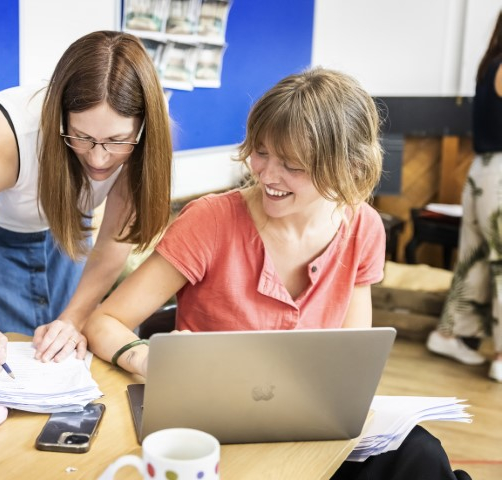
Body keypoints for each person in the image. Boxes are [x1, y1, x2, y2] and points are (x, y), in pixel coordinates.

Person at [83, 68, 471, 480]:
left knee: (424, 457)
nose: (267, 174)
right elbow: (104, 320)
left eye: (293, 165)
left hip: (309, 423)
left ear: (347, 166)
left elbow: (354, 355)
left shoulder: (364, 227)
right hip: (213, 424)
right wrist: (145, 356)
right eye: (261, 151)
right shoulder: (211, 221)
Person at [0, 31, 173, 380]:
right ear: (60, 118)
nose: (99, 159)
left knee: (59, 341)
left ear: (141, 129)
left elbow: (112, 244)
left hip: (61, 215)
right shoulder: (1, 135)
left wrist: (72, 319)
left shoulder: (146, 140)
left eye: (116, 141)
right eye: (81, 137)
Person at [426, 10, 502, 382]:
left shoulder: (491, 65)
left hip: (483, 170)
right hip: (500, 172)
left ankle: (449, 334)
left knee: (474, 257)